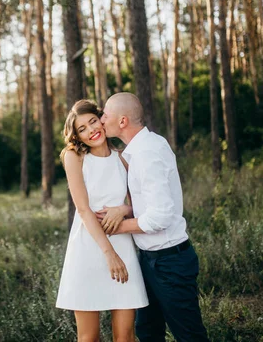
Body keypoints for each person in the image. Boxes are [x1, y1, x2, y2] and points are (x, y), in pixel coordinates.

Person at [98, 92, 210, 342]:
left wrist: (117, 227)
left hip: (170, 262)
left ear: (123, 121)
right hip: (150, 261)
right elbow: (150, 203)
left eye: (105, 114)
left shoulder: (147, 153)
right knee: (148, 332)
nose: (101, 119)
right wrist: (123, 209)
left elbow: (160, 216)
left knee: (189, 335)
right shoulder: (141, 149)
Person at [55, 99, 149, 342]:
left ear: (102, 119)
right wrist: (109, 254)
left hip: (123, 248)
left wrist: (123, 209)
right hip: (89, 250)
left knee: (125, 337)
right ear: (77, 136)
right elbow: (84, 210)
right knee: (88, 338)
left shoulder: (123, 157)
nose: (91, 131)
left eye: (93, 122)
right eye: (82, 129)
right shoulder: (74, 157)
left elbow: (141, 204)